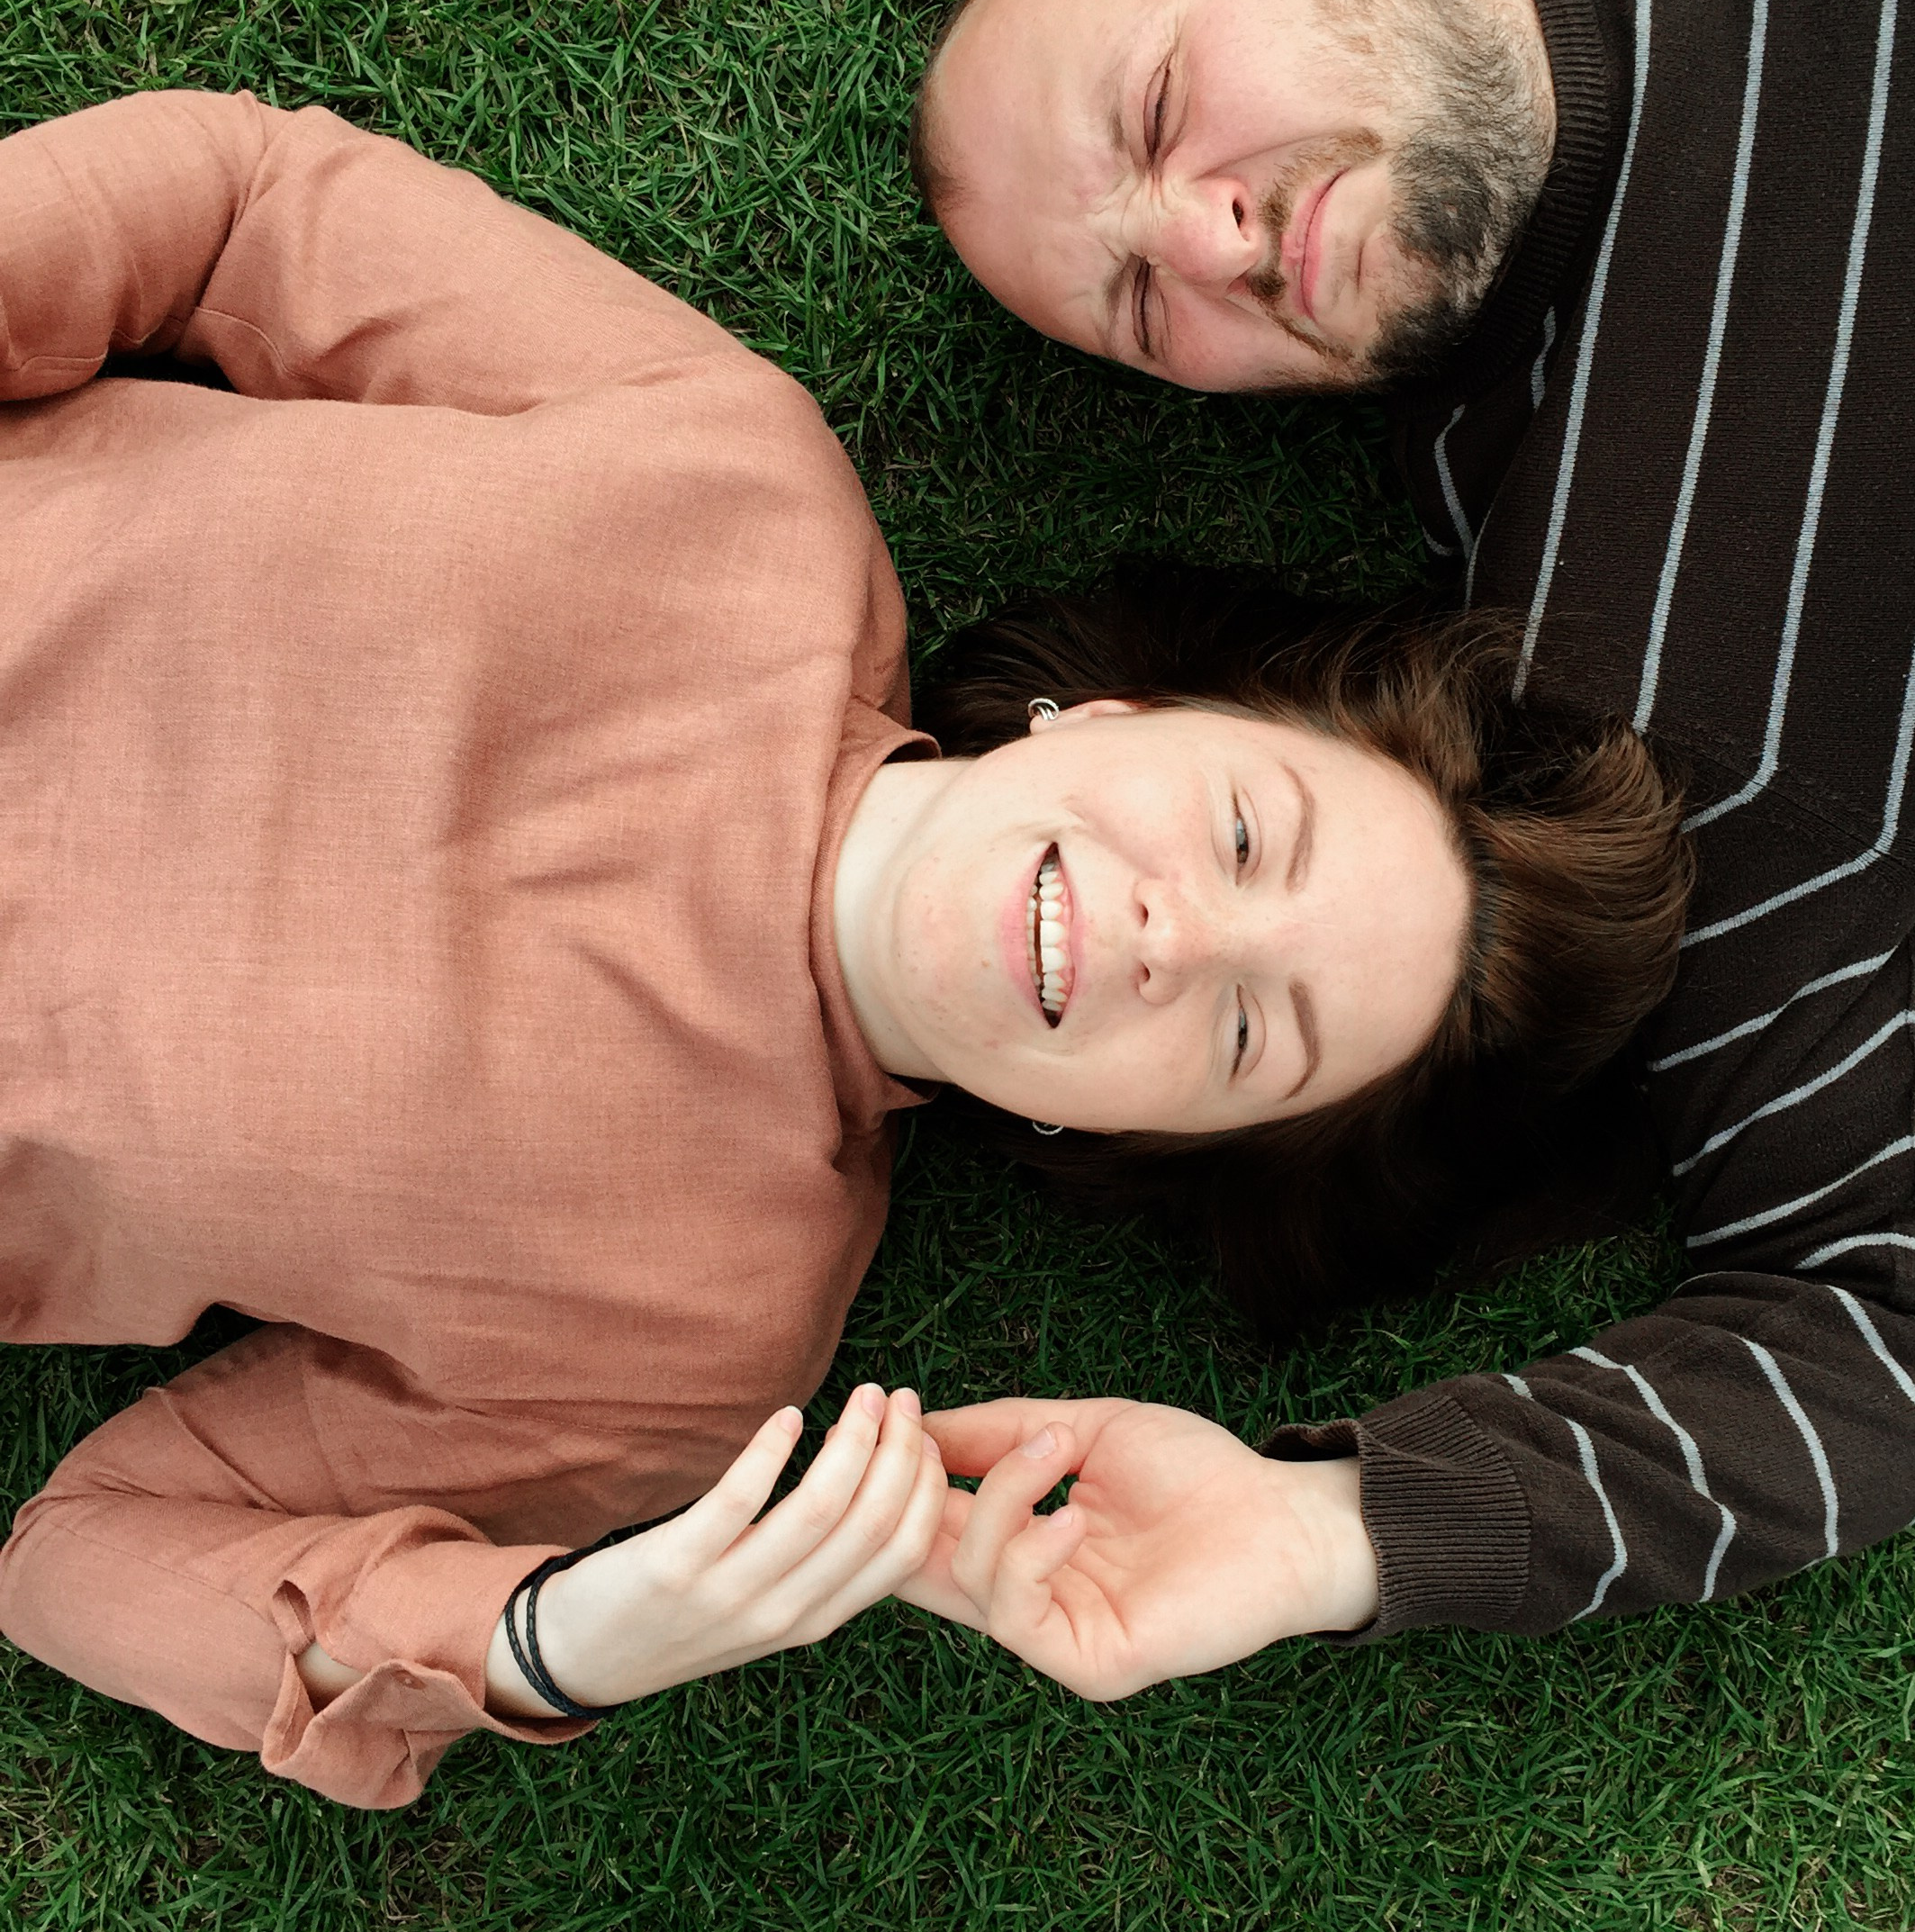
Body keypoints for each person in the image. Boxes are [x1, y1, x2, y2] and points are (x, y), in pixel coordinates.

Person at [0, 92, 1685, 1807]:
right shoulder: (732, 476)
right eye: (1246, 831)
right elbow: (244, 201)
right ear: (1114, 712)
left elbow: (88, 1552)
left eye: (1252, 1035)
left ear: (1142, 1137)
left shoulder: (691, 1335)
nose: (1175, 932)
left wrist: (541, 1636)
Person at [899, 0, 1915, 1689]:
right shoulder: (1609, 705)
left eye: (1163, 105)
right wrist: (1323, 1528)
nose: (1196, 239)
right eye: (1127, 309)